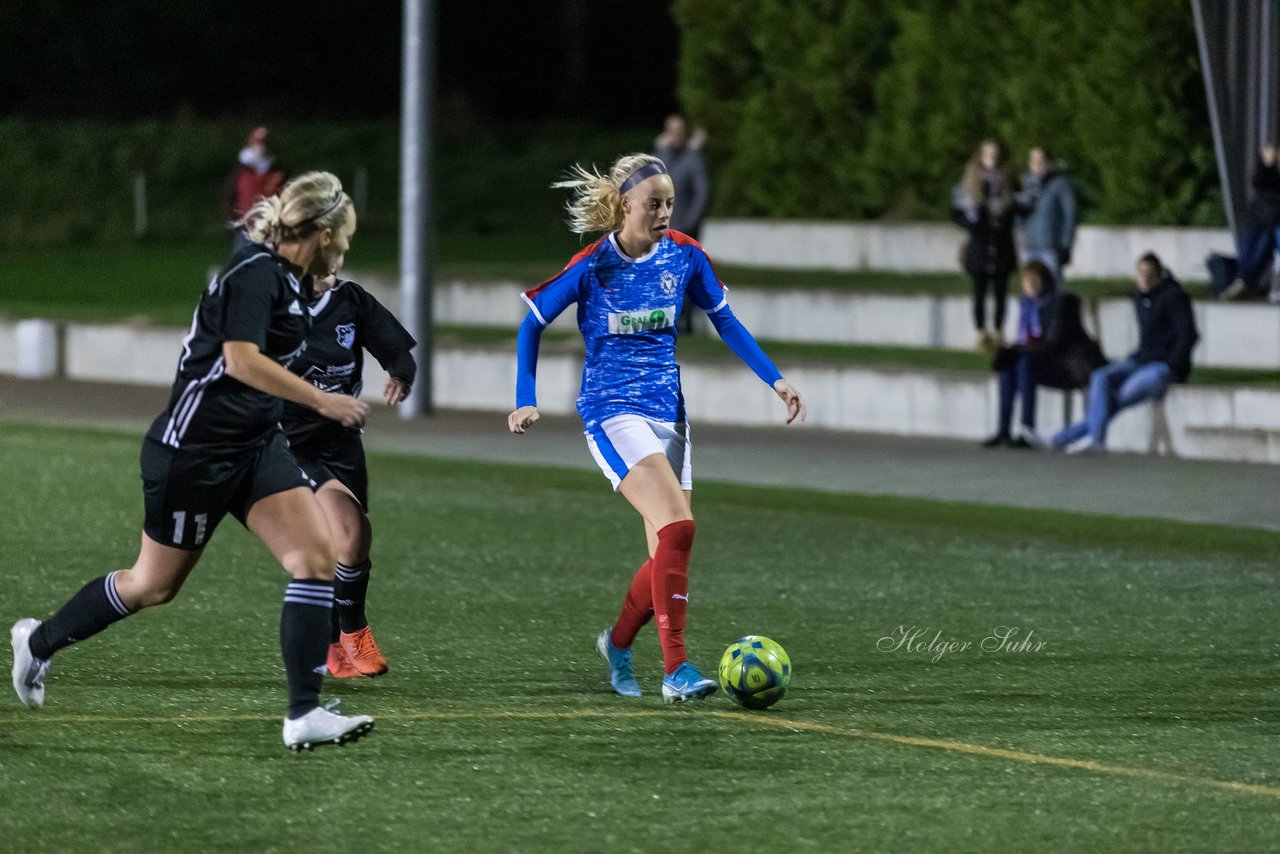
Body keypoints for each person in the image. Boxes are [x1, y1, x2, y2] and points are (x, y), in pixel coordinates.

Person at [10, 171, 377, 751]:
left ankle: (303, 714)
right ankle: (38, 642)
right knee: (152, 586)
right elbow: (238, 361)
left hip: (255, 447)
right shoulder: (255, 274)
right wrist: (323, 402)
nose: (348, 247)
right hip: (192, 454)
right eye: (346, 236)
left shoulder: (290, 281)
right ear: (325, 232)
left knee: (315, 559)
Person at [507, 153, 806, 703]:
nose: (665, 212)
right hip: (610, 411)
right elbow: (532, 323)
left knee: (667, 549)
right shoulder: (594, 264)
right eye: (654, 203)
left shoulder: (686, 256)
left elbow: (724, 320)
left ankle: (618, 644)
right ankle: (677, 670)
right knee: (681, 529)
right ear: (626, 205)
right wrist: (526, 399)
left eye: (669, 202)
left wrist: (776, 379)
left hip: (669, 414)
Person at [281, 271, 417, 679]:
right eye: (328, 251)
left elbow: (397, 350)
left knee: (351, 546)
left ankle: (331, 643)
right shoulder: (274, 304)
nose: (335, 264)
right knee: (348, 529)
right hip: (288, 443)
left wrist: (400, 376)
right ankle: (352, 631)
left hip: (341, 440)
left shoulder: (351, 300)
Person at [1051, 252, 1198, 454]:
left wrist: (1173, 365)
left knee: (1117, 398)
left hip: (1163, 368)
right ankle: (1078, 438)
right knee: (1100, 376)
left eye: (1149, 274)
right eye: (1141, 274)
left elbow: (1188, 335)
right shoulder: (1140, 298)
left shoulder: (1174, 297)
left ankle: (1076, 439)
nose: (1144, 279)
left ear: (1159, 275)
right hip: (1141, 361)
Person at [982, 260, 1105, 448]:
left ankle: (1027, 429)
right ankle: (1003, 430)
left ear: (1045, 281)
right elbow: (1026, 341)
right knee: (1008, 364)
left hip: (1066, 365)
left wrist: (1019, 349)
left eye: (1035, 279)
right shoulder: (1026, 307)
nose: (1030, 284)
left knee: (1024, 361)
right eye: (1026, 280)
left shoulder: (1061, 303)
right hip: (1038, 359)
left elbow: (1055, 342)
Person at [952, 140, 1017, 352]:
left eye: (995, 155)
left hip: (1001, 245)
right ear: (981, 156)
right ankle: (981, 333)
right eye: (988, 154)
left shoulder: (1007, 181)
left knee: (1001, 291)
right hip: (980, 245)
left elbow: (1017, 207)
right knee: (979, 292)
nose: (992, 159)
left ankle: (999, 332)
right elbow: (957, 213)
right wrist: (972, 226)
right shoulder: (970, 183)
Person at [655, 113, 710, 335]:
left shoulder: (693, 159)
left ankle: (684, 319)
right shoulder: (660, 158)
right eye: (671, 130)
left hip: (684, 228)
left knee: (685, 275)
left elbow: (701, 192)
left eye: (678, 130)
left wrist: (690, 222)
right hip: (660, 229)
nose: (674, 135)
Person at [1223, 143, 1280, 300]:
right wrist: (1268, 165)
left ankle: (1247, 282)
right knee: (1249, 245)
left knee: (1263, 244)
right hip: (1260, 216)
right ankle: (1243, 281)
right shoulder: (1270, 169)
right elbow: (1258, 182)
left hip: (1274, 221)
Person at [1015, 146, 1077, 286]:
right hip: (1028, 246)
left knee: (1052, 289)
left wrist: (1066, 243)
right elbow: (1018, 215)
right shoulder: (1024, 183)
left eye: (1041, 160)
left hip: (1050, 247)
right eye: (1033, 160)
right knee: (1029, 289)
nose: (1037, 164)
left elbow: (1069, 215)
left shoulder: (1059, 184)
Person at [226, 126, 288, 252]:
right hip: (245, 227)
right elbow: (232, 196)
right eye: (256, 141)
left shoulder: (278, 170)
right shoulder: (242, 170)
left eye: (262, 142)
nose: (259, 146)